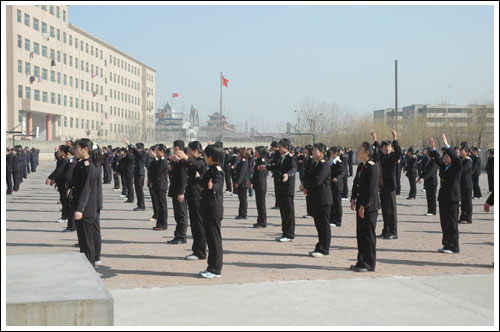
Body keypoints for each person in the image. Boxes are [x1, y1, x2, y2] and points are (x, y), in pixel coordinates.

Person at [173, 141, 208, 261]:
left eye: (189, 150)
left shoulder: (202, 161)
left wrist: (185, 158)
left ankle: (201, 251)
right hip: (192, 197)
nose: (187, 152)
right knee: (194, 226)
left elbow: (197, 165)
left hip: (198, 197)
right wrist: (180, 160)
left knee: (199, 225)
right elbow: (189, 164)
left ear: (195, 151)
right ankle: (196, 250)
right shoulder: (193, 161)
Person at [69, 139, 100, 267]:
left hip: (86, 210)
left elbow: (86, 189)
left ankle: (90, 268)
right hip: (81, 208)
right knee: (82, 242)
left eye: (76, 148)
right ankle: (86, 267)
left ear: (84, 149)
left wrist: (80, 209)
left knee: (87, 243)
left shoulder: (89, 167)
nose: (74, 150)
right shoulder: (81, 164)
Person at [260, 138, 297, 242]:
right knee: (283, 212)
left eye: (280, 146)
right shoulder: (281, 157)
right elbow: (276, 167)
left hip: (288, 188)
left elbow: (294, 169)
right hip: (281, 187)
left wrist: (288, 174)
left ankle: (290, 234)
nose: (278, 148)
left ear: (285, 147)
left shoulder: (291, 158)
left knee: (289, 212)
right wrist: (266, 167)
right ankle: (285, 233)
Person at [430, 134, 462, 254]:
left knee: (452, 223)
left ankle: (454, 246)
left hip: (452, 199)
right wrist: (433, 149)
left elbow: (456, 159)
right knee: (444, 222)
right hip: (443, 199)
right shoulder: (445, 168)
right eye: (445, 157)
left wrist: (447, 145)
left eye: (448, 157)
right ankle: (446, 244)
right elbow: (438, 160)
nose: (445, 159)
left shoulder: (457, 167)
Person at [350, 141, 379, 272]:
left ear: (367, 151)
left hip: (369, 206)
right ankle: (361, 262)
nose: (357, 151)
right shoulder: (361, 167)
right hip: (361, 205)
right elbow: (356, 183)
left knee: (368, 236)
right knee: (360, 235)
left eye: (360, 149)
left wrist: (364, 205)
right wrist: (353, 198)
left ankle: (369, 263)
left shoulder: (372, 167)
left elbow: (371, 189)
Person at [199, 144, 225, 279]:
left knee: (215, 241)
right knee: (211, 239)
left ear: (211, 157)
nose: (204, 157)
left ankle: (215, 269)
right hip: (208, 208)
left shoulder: (218, 170)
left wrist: (212, 186)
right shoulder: (211, 169)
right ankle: (211, 267)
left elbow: (219, 184)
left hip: (213, 209)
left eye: (206, 155)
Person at [372, 130, 402, 240]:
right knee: (384, 209)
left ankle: (393, 232)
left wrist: (395, 138)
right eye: (384, 147)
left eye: (388, 147)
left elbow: (399, 152)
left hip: (390, 187)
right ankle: (386, 230)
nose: (386, 148)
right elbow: (377, 148)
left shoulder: (393, 157)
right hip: (382, 186)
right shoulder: (381, 157)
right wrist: (375, 139)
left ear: (391, 148)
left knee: (391, 210)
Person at [307, 143, 332, 258]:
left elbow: (317, 180)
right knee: (318, 225)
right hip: (316, 199)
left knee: (324, 225)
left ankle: (324, 248)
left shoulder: (325, 165)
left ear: (322, 153)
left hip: (324, 199)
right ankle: (319, 245)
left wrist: (306, 185)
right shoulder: (315, 164)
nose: (313, 151)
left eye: (315, 150)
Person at [167, 140, 188, 244]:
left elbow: (184, 177)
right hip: (175, 190)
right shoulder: (176, 160)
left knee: (181, 214)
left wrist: (182, 192)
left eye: (173, 147)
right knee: (177, 214)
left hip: (180, 191)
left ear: (177, 148)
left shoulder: (182, 160)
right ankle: (178, 234)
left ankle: (181, 236)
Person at [123, 138, 147, 211]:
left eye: (136, 147)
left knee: (140, 190)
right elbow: (133, 151)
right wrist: (128, 145)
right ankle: (139, 205)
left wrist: (130, 144)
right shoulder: (138, 153)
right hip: (136, 173)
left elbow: (137, 152)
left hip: (140, 174)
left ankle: (142, 205)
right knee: (137, 190)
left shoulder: (143, 153)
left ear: (140, 148)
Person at [58, 146, 77, 232]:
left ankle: (71, 226)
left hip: (69, 187)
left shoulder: (72, 162)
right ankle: (70, 226)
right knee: (69, 206)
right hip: (67, 186)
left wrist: (69, 187)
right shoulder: (70, 161)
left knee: (70, 207)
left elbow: (68, 176)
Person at [150, 144, 169, 231]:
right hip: (157, 185)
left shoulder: (163, 161)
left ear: (161, 151)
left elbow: (157, 172)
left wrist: (151, 180)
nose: (155, 152)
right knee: (159, 205)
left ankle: (163, 224)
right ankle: (159, 223)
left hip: (161, 185)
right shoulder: (159, 161)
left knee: (162, 206)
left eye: (157, 150)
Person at [418, 147, 439, 216]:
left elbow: (431, 171)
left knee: (432, 197)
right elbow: (425, 171)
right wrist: (420, 177)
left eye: (426, 151)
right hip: (428, 181)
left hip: (432, 181)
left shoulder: (434, 161)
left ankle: (433, 211)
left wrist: (423, 178)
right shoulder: (427, 160)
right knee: (428, 196)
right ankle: (429, 210)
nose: (425, 153)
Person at [251, 146, 268, 228]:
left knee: (261, 205)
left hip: (261, 186)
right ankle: (259, 220)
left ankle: (263, 222)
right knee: (259, 204)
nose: (255, 153)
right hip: (257, 185)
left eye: (257, 152)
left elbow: (260, 177)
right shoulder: (257, 161)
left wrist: (255, 183)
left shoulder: (262, 162)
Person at [329, 146, 344, 227]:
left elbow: (342, 172)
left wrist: (337, 178)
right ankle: (331, 219)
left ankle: (338, 221)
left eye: (331, 152)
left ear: (335, 153)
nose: (330, 154)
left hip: (337, 186)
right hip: (331, 185)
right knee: (332, 202)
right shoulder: (331, 161)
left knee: (337, 203)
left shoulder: (339, 162)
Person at [459, 144, 473, 224]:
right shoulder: (462, 159)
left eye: (462, 151)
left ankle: (468, 218)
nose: (461, 152)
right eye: (460, 150)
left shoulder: (468, 160)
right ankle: (463, 217)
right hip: (462, 183)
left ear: (467, 152)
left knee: (468, 201)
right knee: (463, 201)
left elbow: (463, 170)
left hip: (467, 183)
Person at [234, 148, 249, 219]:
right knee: (241, 199)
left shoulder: (244, 162)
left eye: (239, 153)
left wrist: (237, 182)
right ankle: (241, 213)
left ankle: (243, 214)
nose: (237, 154)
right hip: (242, 183)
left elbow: (241, 174)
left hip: (243, 183)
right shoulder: (241, 161)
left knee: (243, 199)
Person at [301, 145, 314, 219]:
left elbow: (309, 171)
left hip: (309, 181)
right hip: (306, 180)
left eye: (306, 149)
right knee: (308, 197)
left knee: (310, 198)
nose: (304, 150)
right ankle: (309, 212)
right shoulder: (307, 158)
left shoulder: (311, 159)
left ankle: (311, 212)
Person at [146, 146, 158, 222]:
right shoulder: (153, 160)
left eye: (150, 151)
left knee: (156, 199)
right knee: (154, 200)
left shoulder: (158, 161)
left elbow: (156, 172)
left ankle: (156, 215)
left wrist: (151, 181)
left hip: (155, 183)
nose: (149, 153)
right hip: (151, 182)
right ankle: (155, 214)